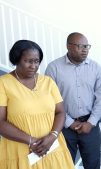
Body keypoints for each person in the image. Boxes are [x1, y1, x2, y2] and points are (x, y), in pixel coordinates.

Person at [0, 40, 74, 168]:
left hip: (52, 147)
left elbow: (60, 112)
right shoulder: (3, 83)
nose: (33, 66)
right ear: (16, 60)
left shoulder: (48, 82)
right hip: (20, 150)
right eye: (28, 61)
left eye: (36, 61)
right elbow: (0, 122)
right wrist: (32, 141)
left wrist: (52, 136)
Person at [45, 32, 101, 169]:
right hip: (64, 127)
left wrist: (90, 123)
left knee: (93, 165)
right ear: (68, 46)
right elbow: (49, 100)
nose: (85, 49)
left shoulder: (96, 68)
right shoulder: (53, 68)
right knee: (64, 165)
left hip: (91, 127)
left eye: (87, 46)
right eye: (80, 46)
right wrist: (70, 123)